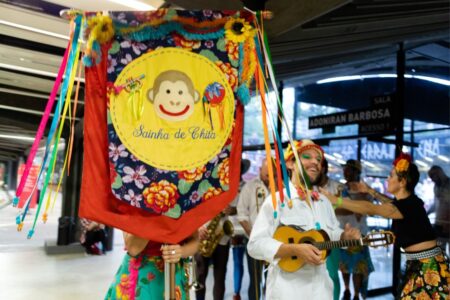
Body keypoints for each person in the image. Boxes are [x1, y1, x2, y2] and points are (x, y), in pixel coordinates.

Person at [321, 153, 450, 299]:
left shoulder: (408, 206)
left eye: (391, 175)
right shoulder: (409, 202)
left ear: (402, 182)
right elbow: (390, 203)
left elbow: (371, 208)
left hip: (427, 268)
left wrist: (336, 200)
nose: (387, 179)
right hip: (421, 264)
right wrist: (369, 190)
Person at [247, 139, 361, 299]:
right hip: (288, 293)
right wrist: (294, 250)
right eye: (307, 157)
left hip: (322, 291)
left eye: (319, 159)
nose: (315, 162)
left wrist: (344, 236)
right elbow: (255, 245)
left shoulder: (324, 201)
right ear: (290, 163)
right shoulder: (277, 201)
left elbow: (331, 233)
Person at [105, 231, 199, 299]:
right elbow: (133, 248)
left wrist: (181, 251)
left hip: (174, 274)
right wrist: (155, 214)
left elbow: (195, 241)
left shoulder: (185, 204)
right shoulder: (132, 203)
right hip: (140, 274)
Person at [338, 160, 374, 300]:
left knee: (359, 267)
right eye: (345, 170)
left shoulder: (365, 189)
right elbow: (337, 210)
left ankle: (357, 294)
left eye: (348, 170)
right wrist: (355, 207)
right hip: (344, 233)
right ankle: (346, 290)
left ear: (356, 172)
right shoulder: (341, 188)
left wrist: (352, 206)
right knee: (345, 266)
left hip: (360, 233)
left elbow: (367, 209)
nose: (345, 172)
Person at [237, 158, 270, 300]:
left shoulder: (280, 187)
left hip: (276, 241)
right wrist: (253, 235)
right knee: (255, 282)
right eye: (266, 173)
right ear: (259, 170)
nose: (269, 176)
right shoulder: (249, 187)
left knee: (272, 281)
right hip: (254, 241)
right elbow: (242, 214)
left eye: (272, 173)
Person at [195, 205, 234, 300]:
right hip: (202, 236)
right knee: (200, 277)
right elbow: (190, 209)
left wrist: (231, 209)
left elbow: (238, 209)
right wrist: (197, 227)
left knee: (220, 279)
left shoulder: (227, 190)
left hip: (222, 238)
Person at [318, 158, 344, 300]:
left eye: (318, 165)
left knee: (332, 274)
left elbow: (346, 208)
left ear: (323, 169)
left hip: (332, 237)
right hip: (314, 238)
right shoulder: (308, 187)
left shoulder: (337, 187)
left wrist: (331, 205)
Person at [229, 158, 251, 300]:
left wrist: (233, 210)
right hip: (234, 230)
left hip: (248, 229)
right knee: (237, 263)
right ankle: (236, 292)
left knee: (251, 265)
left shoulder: (248, 187)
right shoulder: (228, 188)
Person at [428, 165, 450, 254]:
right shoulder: (436, 187)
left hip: (448, 223)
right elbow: (436, 204)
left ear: (438, 174)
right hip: (440, 223)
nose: (432, 180)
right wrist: (427, 213)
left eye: (433, 177)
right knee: (440, 252)